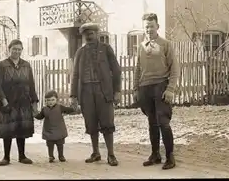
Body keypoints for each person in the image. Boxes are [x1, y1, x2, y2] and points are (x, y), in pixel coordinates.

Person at [70, 23, 122, 166]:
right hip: (86, 92)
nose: (89, 36)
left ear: (97, 34)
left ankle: (111, 154)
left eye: (91, 33)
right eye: (86, 34)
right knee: (91, 123)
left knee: (107, 122)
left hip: (103, 91)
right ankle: (95, 152)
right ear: (83, 36)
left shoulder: (105, 49)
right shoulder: (80, 52)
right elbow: (75, 75)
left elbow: (116, 71)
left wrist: (117, 91)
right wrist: (73, 95)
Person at [133, 13, 180, 170]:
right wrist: (135, 89)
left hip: (161, 86)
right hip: (145, 88)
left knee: (163, 123)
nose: (149, 29)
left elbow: (174, 68)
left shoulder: (166, 44)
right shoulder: (141, 46)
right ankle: (155, 155)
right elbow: (137, 69)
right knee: (152, 122)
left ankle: (170, 157)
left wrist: (170, 89)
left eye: (151, 26)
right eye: (146, 26)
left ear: (157, 26)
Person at [0, 39, 39, 166]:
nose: (16, 51)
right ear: (9, 49)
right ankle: (6, 157)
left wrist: (34, 102)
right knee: (8, 129)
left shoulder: (26, 65)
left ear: (22, 50)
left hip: (23, 103)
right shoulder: (2, 65)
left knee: (21, 128)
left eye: (19, 49)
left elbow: (31, 85)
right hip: (8, 102)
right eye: (14, 49)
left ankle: (22, 156)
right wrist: (4, 101)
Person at [35, 90, 75, 163]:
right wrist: (34, 113)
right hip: (49, 131)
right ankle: (51, 156)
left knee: (60, 144)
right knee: (50, 144)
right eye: (48, 100)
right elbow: (40, 117)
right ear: (45, 101)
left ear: (57, 99)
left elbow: (69, 110)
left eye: (53, 100)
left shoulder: (60, 107)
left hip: (59, 130)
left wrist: (73, 105)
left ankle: (61, 156)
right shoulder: (44, 109)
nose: (50, 102)